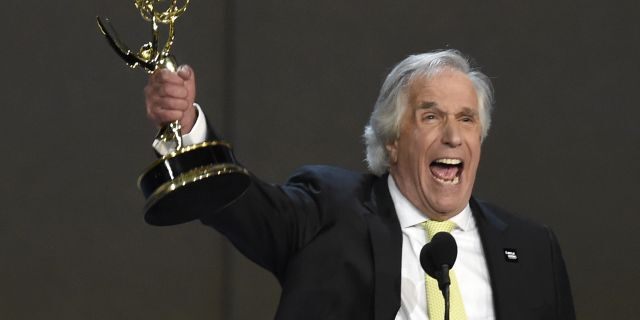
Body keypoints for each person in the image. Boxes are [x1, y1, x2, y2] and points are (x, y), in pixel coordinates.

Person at [143, 50, 576, 319]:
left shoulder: (533, 249)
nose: (453, 136)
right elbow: (242, 205)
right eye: (431, 116)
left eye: (467, 119)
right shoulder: (326, 213)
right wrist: (188, 131)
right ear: (392, 141)